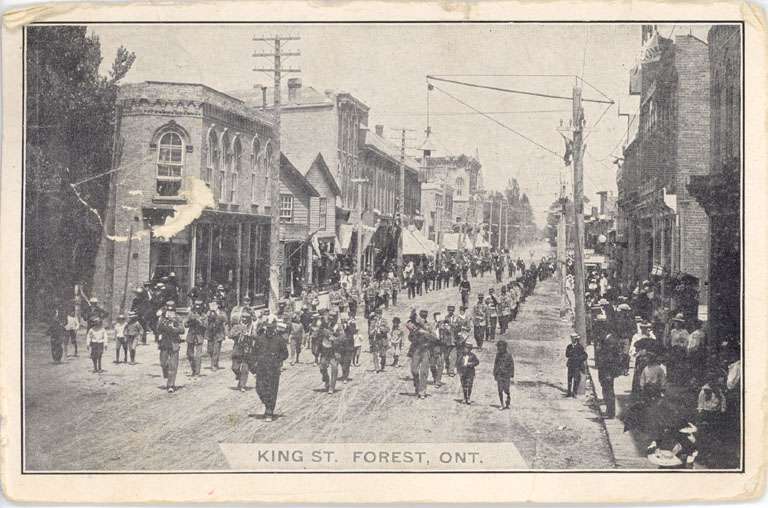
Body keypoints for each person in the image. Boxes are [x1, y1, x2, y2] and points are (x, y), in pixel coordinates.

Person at [252, 315, 289, 421]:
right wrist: (254, 366)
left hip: (273, 369)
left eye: (271, 328)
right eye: (268, 328)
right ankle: (267, 404)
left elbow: (285, 354)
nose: (269, 330)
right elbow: (254, 353)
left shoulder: (279, 339)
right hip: (261, 368)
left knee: (272, 390)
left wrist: (278, 359)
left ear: (275, 328)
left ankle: (269, 411)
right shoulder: (260, 339)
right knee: (260, 388)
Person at [157, 301, 185, 393]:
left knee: (173, 364)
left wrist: (174, 328)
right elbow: (157, 328)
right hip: (164, 343)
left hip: (174, 343)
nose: (170, 312)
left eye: (172, 310)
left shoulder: (178, 318)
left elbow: (182, 330)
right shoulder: (162, 318)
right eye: (168, 309)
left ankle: (171, 384)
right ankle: (167, 374)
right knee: (163, 363)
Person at [407, 309, 434, 399]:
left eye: (424, 316)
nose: (422, 318)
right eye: (421, 316)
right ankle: (417, 384)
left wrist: (425, 332)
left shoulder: (430, 325)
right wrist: (414, 330)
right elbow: (410, 337)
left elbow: (434, 337)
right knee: (414, 369)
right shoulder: (414, 325)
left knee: (424, 371)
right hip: (416, 349)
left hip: (426, 349)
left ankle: (422, 391)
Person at [595, 332, 622, 419]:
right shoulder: (606, 340)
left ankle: (611, 412)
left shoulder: (611, 341)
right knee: (606, 390)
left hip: (608, 371)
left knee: (608, 391)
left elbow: (612, 359)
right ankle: (609, 410)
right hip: (604, 371)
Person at [229, 313, 254, 392]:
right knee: (234, 367)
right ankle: (239, 377)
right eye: (243, 318)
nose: (244, 320)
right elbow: (230, 335)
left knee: (245, 369)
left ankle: (243, 385)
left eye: (246, 318)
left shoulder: (251, 327)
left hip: (247, 349)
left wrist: (249, 335)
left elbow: (256, 336)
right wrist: (238, 334)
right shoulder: (236, 326)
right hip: (237, 349)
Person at [184, 300, 207, 377]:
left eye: (199, 307)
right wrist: (191, 322)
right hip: (191, 335)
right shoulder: (191, 314)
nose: (197, 309)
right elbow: (185, 324)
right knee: (189, 354)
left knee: (198, 355)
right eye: (196, 307)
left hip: (199, 336)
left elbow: (206, 326)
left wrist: (199, 322)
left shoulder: (204, 316)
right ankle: (193, 368)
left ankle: (197, 372)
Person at [206, 300, 228, 371]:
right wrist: (210, 314)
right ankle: (215, 361)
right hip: (210, 334)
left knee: (216, 350)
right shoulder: (209, 313)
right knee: (209, 350)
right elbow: (206, 320)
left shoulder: (221, 312)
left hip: (218, 333)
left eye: (215, 305)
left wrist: (218, 314)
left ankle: (214, 365)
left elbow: (225, 319)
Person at [493, 340, 515, 410]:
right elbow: (495, 364)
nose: (500, 350)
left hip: (506, 375)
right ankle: (501, 403)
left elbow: (511, 365)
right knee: (500, 390)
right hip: (499, 374)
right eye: (499, 348)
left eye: (502, 348)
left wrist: (511, 374)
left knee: (506, 389)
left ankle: (507, 400)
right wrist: (495, 374)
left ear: (505, 348)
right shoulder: (498, 355)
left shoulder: (508, 355)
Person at [565, 333, 587, 397]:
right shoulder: (569, 346)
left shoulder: (580, 347)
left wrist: (580, 359)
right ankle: (569, 392)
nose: (573, 339)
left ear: (576, 339)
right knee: (569, 379)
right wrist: (571, 353)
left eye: (574, 338)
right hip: (570, 365)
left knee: (576, 379)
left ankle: (574, 392)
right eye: (571, 338)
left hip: (577, 366)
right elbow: (566, 354)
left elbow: (585, 355)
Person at [430, 312, 447, 388]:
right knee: (432, 365)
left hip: (441, 346)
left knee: (440, 365)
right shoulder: (431, 326)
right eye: (436, 317)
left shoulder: (444, 326)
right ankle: (435, 377)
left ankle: (438, 381)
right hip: (432, 346)